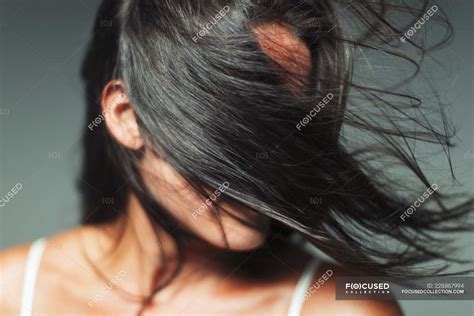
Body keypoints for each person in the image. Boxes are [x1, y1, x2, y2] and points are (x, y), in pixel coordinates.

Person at [1, 0, 471, 315]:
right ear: (126, 117)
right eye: (232, 129)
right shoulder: (14, 288)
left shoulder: (338, 308)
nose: (272, 166)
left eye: (289, 126)